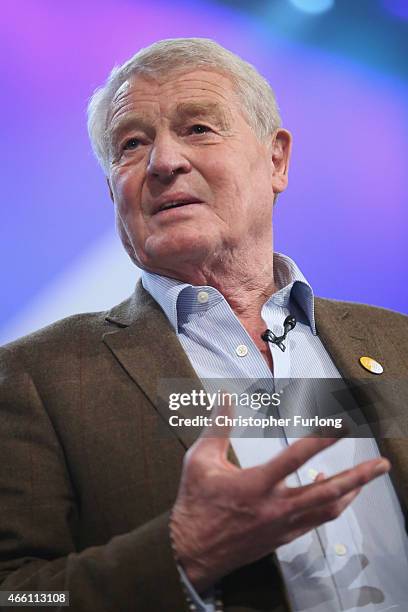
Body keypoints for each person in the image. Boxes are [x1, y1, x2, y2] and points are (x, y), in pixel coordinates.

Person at [0, 38, 407, 612]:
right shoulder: (34, 379)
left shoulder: (398, 342)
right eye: (132, 143)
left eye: (198, 129)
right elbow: (17, 596)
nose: (163, 162)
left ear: (276, 161)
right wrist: (182, 555)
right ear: (112, 189)